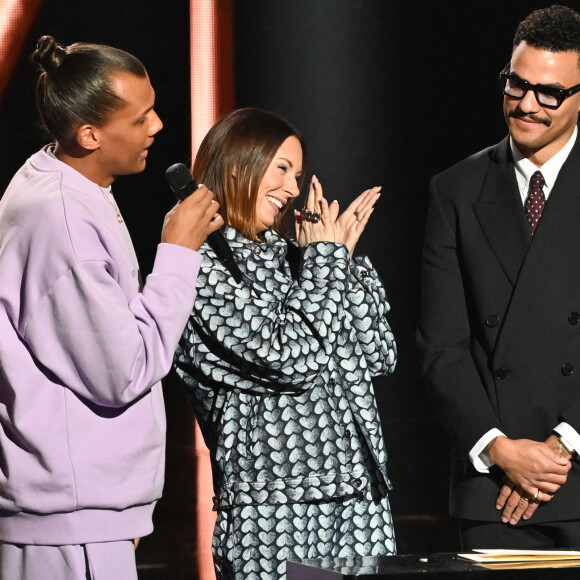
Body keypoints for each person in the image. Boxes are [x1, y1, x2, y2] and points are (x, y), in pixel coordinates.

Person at [0, 36, 222, 579]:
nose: (158, 127)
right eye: (140, 117)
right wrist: (176, 253)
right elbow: (122, 371)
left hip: (83, 509)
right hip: (69, 518)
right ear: (90, 134)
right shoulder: (60, 219)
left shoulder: (66, 184)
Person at [173, 108, 397, 579]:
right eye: (282, 168)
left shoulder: (307, 258)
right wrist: (325, 263)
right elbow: (290, 359)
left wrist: (344, 264)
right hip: (274, 513)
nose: (294, 189)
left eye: (297, 174)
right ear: (237, 164)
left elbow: (379, 355)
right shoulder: (201, 267)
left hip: (358, 501)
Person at [417, 4, 580, 550]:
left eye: (550, 93)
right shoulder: (455, 190)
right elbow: (442, 344)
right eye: (517, 84)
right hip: (493, 486)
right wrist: (500, 449)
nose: (527, 105)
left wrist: (560, 448)